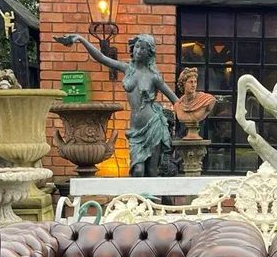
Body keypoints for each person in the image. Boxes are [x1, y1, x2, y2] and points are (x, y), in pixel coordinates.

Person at [57, 33, 178, 177]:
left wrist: (192, 111)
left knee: (152, 171)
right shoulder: (127, 69)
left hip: (154, 125)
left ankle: (154, 200)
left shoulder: (154, 76)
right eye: (137, 47)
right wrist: (81, 39)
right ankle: (137, 200)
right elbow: (101, 58)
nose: (139, 51)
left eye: (143, 49)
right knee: (138, 171)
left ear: (149, 53)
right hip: (136, 129)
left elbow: (175, 100)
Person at [173, 66, 218, 138]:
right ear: (183, 84)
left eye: (195, 82)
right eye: (190, 82)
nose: (193, 85)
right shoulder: (178, 106)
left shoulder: (207, 99)